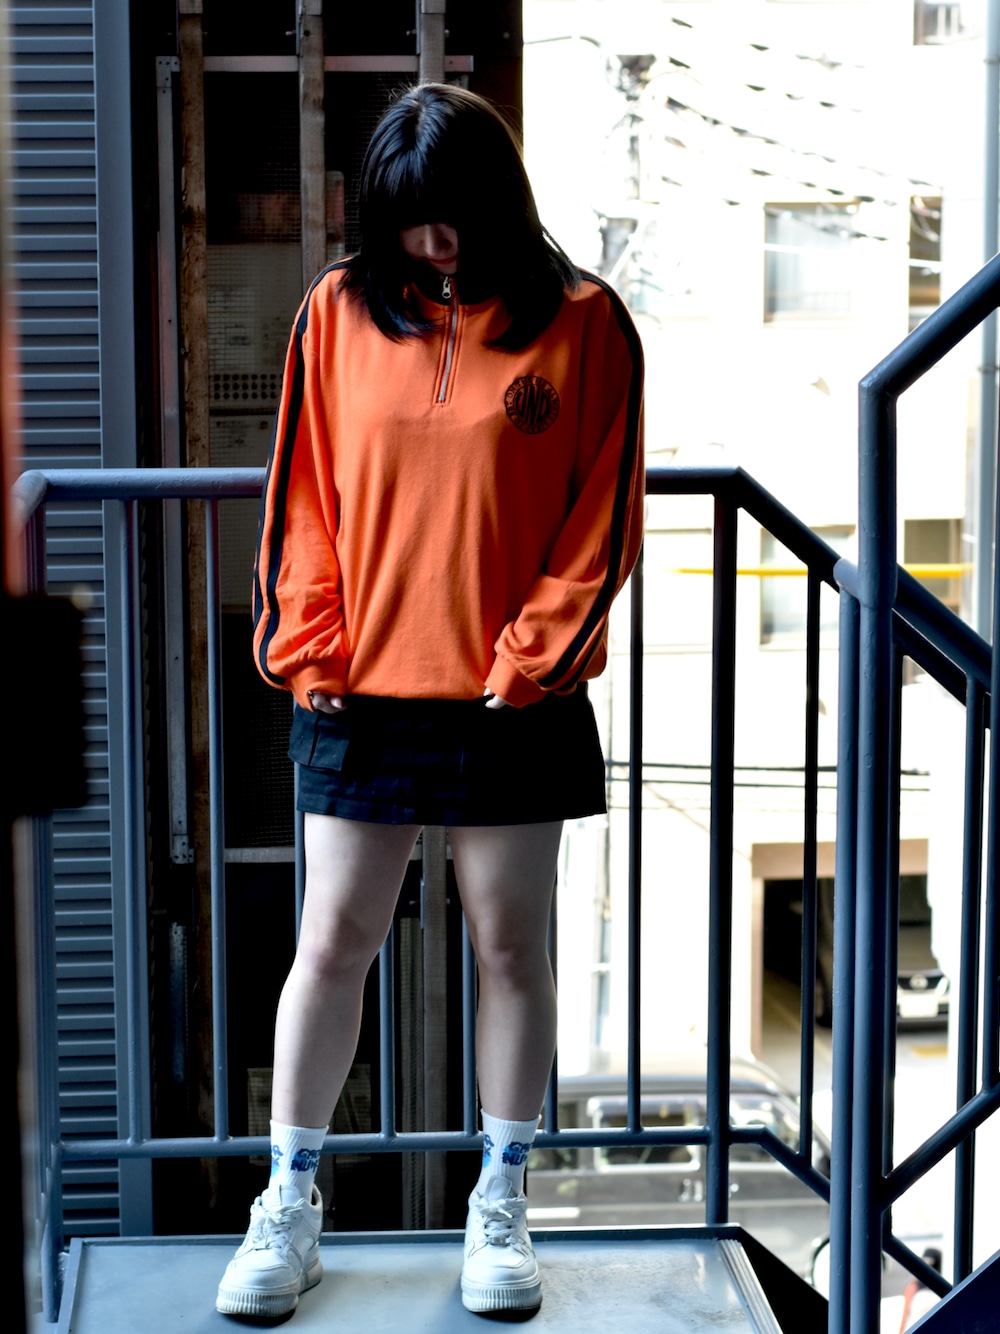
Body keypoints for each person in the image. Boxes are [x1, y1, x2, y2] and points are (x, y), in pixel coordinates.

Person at [216, 81, 644, 1320]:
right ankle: (288, 1202)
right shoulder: (336, 313)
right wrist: (311, 647)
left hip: (516, 695)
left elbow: (602, 510)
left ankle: (500, 1200)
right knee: (329, 941)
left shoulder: (583, 322)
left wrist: (530, 658)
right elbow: (301, 492)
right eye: (410, 220)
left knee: (510, 944)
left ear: (499, 200)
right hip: (357, 692)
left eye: (454, 216)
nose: (435, 242)